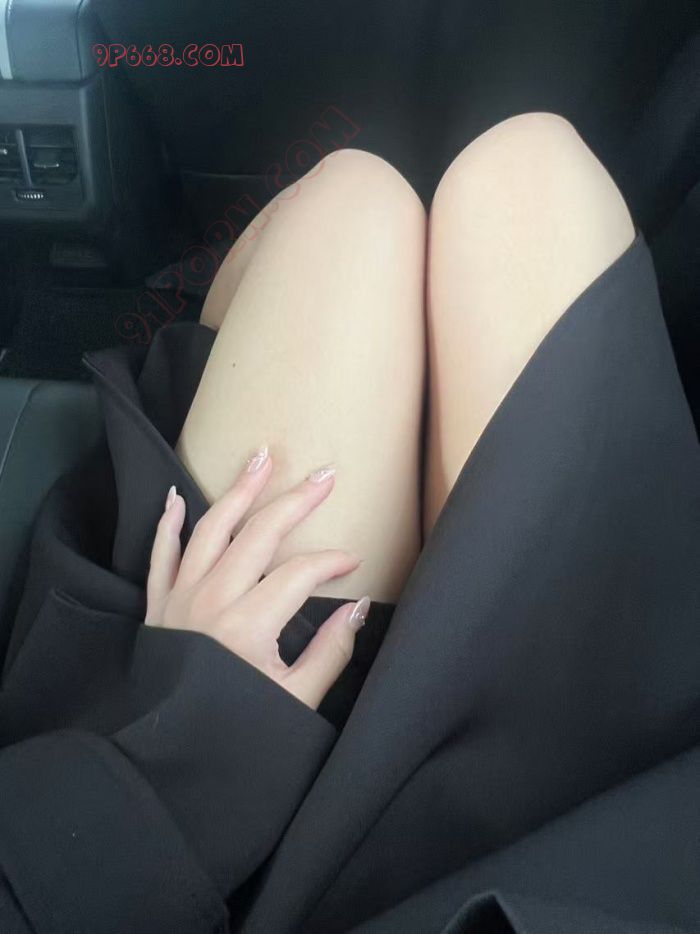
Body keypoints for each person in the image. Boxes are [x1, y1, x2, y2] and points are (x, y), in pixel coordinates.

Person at [1, 113, 698, 933]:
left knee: (383, 197)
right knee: (522, 180)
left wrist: (171, 748)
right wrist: (187, 763)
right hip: (591, 824)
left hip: (118, 820)